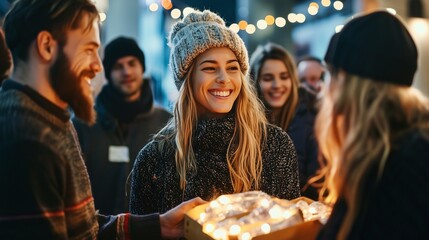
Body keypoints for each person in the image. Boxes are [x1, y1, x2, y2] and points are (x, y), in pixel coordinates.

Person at [0, 0, 205, 239]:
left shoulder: (50, 119)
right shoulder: (27, 138)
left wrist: (160, 226)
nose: (98, 66)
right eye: (89, 50)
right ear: (47, 46)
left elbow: (81, 228)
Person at [129, 9, 300, 215]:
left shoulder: (275, 144)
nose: (224, 78)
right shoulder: (154, 159)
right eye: (210, 68)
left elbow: (292, 228)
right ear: (187, 80)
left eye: (232, 68)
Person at [315, 11, 429, 239]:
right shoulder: (380, 149)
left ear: (345, 81)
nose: (324, 88)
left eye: (328, 75)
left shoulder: (403, 161)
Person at [73, 36, 171, 215]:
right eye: (118, 66)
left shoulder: (166, 123)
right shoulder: (84, 123)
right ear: (109, 73)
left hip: (152, 230)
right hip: (96, 230)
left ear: (142, 67)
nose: (126, 72)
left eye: (132, 63)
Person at [249, 42, 319, 200]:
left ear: (293, 80)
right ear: (255, 82)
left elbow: (316, 184)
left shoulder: (313, 117)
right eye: (268, 78)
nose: (277, 85)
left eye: (284, 77)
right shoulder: (246, 122)